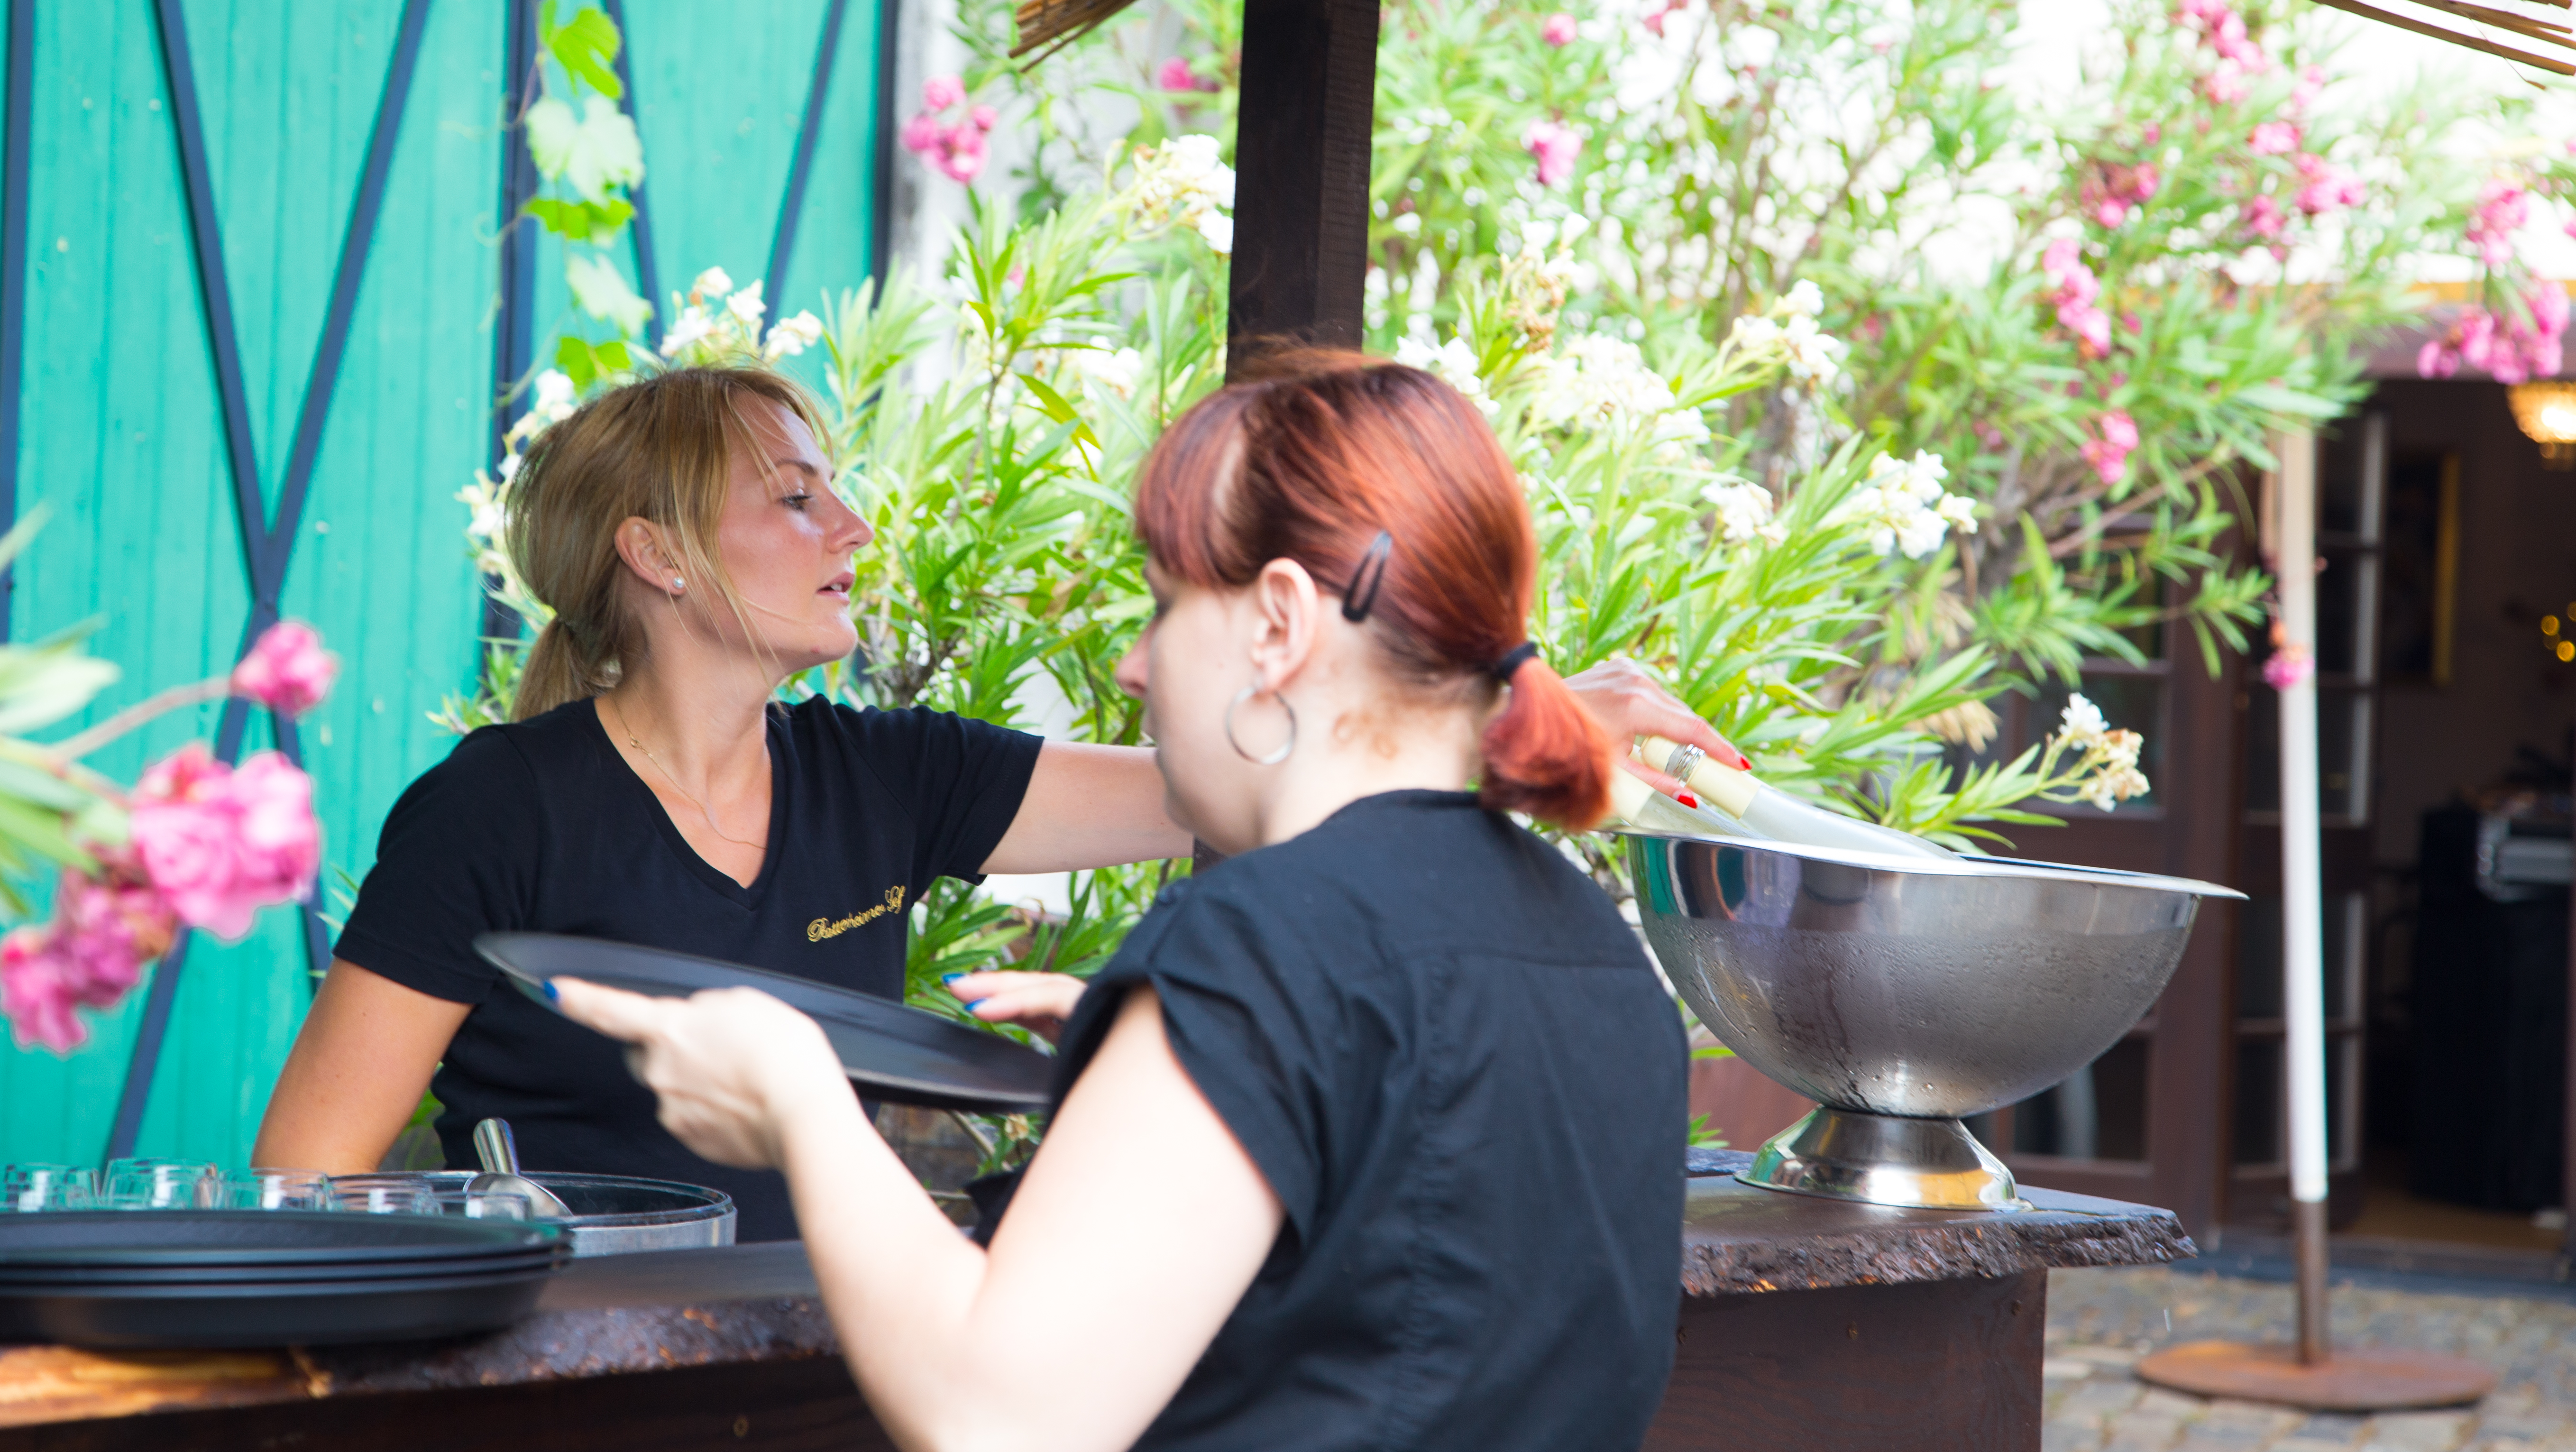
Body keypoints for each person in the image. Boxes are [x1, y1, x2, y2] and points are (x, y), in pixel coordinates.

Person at [256, 363, 1732, 1240]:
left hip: (822, 1344)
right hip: (563, 1370)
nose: (852, 524)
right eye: (793, 496)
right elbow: (304, 1171)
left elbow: (1208, 786)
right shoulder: (495, 808)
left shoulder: (886, 774)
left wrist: (1483, 714)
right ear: (653, 552)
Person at [557, 350, 1693, 1452]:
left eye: (1163, 606)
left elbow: (996, 1415)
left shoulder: (1266, 943)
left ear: (1279, 623)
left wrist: (800, 1097)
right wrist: (1154, 1060)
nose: (1138, 665)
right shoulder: (1589, 946)